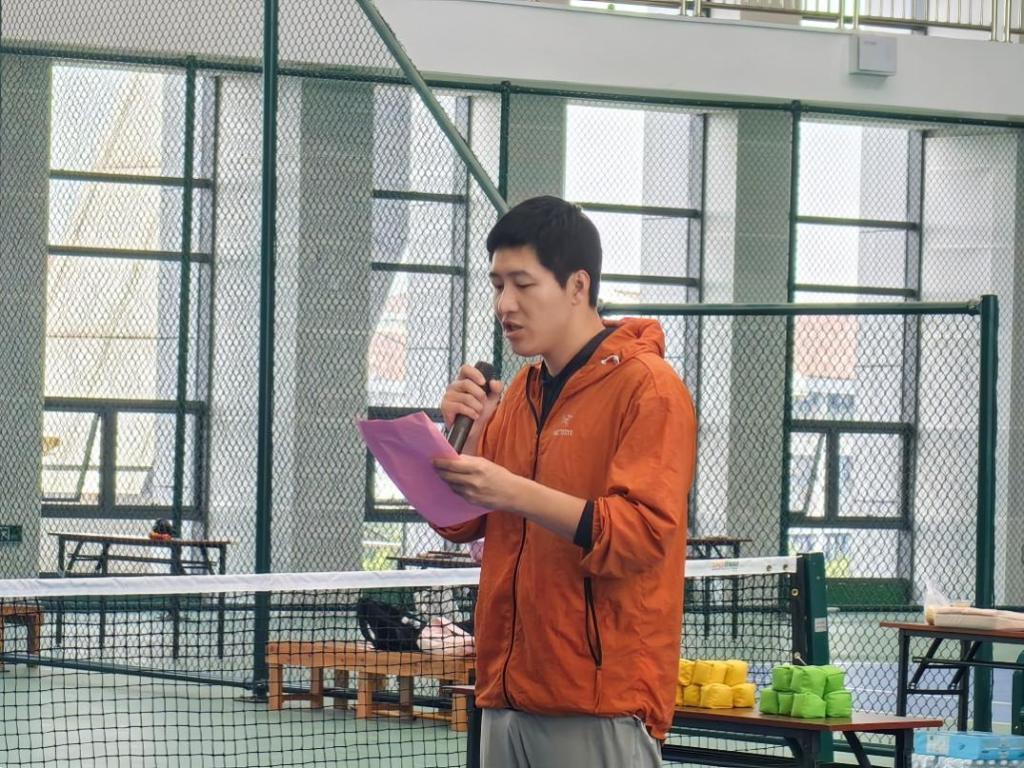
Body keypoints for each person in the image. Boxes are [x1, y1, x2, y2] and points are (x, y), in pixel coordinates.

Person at [432, 195, 697, 768]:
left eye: (523, 284)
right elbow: (461, 524)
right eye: (497, 285)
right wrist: (467, 443)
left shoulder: (649, 389)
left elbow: (640, 535)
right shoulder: (518, 395)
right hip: (505, 696)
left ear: (578, 286)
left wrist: (513, 491)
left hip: (598, 703)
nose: (505, 304)